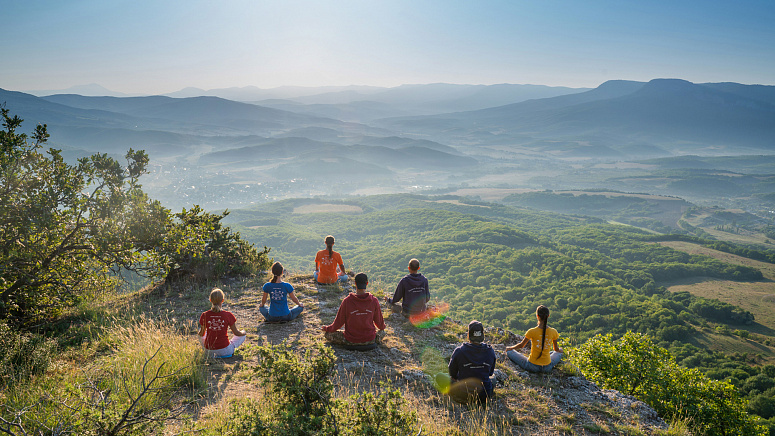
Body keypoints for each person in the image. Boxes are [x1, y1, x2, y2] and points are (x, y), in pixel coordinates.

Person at [321, 273, 386, 346]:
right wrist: (383, 327)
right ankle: (373, 341)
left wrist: (327, 328)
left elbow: (338, 324)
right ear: (367, 283)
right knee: (383, 332)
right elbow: (380, 325)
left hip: (351, 341)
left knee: (328, 334)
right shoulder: (374, 301)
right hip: (370, 340)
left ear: (355, 283)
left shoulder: (347, 301)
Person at [442, 320, 497, 404]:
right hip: (484, 395)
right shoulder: (490, 351)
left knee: (440, 376)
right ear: (482, 335)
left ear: (468, 335)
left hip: (462, 393)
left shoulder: (459, 351)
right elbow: (490, 373)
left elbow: (451, 373)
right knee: (493, 378)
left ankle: (460, 396)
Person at [506, 305, 564, 373]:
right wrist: (560, 350)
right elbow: (556, 349)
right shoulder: (553, 331)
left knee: (509, 352)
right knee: (559, 353)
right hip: (547, 367)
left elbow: (521, 345)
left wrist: (510, 348)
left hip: (532, 366)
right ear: (548, 316)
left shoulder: (532, 331)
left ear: (537, 316)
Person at [198, 288, 247, 358]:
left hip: (209, 352)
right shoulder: (228, 315)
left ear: (210, 300)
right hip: (225, 351)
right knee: (242, 334)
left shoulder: (205, 315)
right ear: (223, 300)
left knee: (202, 332)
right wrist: (243, 333)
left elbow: (201, 334)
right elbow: (236, 333)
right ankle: (228, 349)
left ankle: (206, 348)